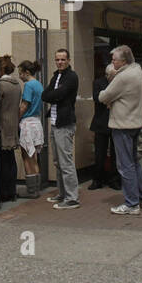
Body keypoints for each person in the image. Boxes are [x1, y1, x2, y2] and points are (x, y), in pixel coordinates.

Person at [98, 46, 142, 215]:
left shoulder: (123, 77)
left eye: (114, 60)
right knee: (134, 162)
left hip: (122, 125)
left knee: (124, 165)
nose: (112, 62)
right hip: (135, 123)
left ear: (124, 61)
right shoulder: (137, 70)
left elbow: (103, 96)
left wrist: (112, 80)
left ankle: (132, 203)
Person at [40, 49, 81, 209]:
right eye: (57, 59)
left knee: (66, 162)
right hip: (55, 122)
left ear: (69, 60)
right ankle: (62, 193)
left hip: (65, 124)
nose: (60, 62)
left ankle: (72, 198)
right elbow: (45, 95)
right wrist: (54, 94)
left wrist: (54, 94)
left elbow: (59, 94)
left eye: (63, 59)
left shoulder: (71, 77)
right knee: (58, 161)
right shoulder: (56, 76)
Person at [0, 55, 22, 203]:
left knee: (3, 161)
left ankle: (4, 192)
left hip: (2, 126)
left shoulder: (1, 85)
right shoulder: (17, 84)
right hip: (13, 125)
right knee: (11, 159)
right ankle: (12, 191)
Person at [16, 60, 45, 198]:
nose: (19, 76)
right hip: (37, 122)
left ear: (26, 72)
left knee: (26, 156)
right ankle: (37, 188)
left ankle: (31, 190)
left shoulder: (28, 85)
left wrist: (16, 118)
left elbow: (24, 105)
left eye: (20, 73)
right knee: (34, 156)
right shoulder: (39, 84)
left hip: (27, 122)